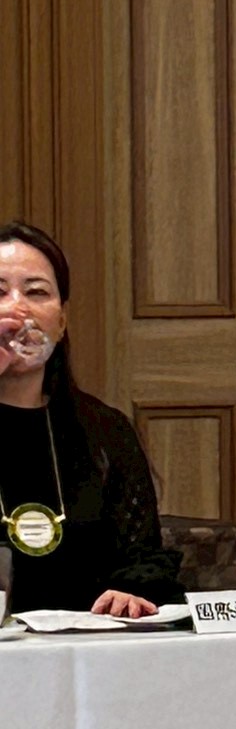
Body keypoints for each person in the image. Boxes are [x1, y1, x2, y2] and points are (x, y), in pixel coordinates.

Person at [0, 220, 183, 616]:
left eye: (36, 292)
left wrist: (131, 593)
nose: (18, 309)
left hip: (88, 642)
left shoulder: (105, 431)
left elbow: (142, 556)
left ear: (62, 322)